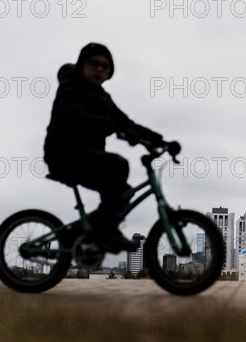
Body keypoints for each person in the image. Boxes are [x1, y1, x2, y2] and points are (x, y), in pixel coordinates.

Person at [44, 42, 164, 253]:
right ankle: (104, 233)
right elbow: (73, 114)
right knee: (118, 166)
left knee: (122, 192)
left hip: (87, 155)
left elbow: (126, 122)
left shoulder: (103, 98)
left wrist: (160, 140)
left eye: (105, 66)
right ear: (82, 65)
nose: (99, 69)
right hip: (64, 154)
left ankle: (94, 233)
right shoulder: (70, 86)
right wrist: (110, 125)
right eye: (94, 63)